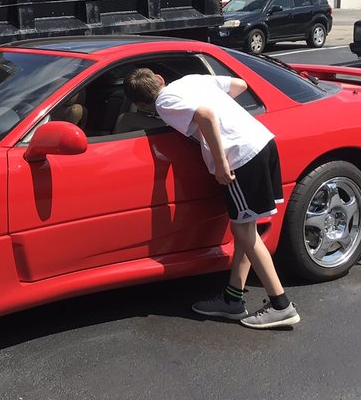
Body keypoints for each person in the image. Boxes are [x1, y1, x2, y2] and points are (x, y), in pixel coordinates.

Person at [123, 68, 299, 328]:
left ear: (139, 104)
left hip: (239, 157)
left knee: (245, 233)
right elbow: (239, 85)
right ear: (159, 78)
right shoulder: (190, 80)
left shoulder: (164, 103)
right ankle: (233, 299)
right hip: (262, 142)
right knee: (245, 230)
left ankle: (280, 305)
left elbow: (205, 115)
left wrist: (220, 162)